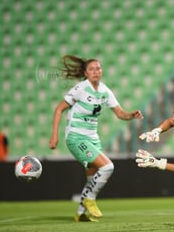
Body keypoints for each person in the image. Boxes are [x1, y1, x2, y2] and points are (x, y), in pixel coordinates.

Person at [49, 55, 143, 222]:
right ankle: (89, 199)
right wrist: (54, 135)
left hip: (92, 138)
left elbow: (120, 113)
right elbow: (59, 109)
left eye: (98, 68)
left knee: (92, 178)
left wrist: (131, 115)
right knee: (108, 167)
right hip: (77, 137)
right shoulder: (81, 88)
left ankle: (80, 213)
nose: (96, 71)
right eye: (91, 69)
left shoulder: (105, 91)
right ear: (85, 72)